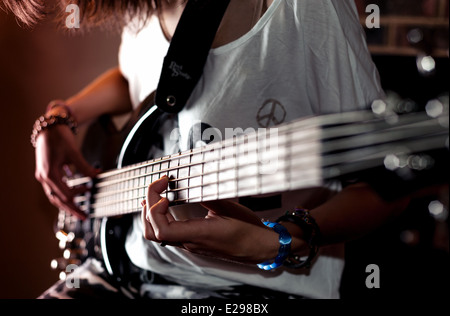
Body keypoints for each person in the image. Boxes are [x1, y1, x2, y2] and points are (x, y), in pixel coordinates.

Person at [4, 0, 413, 299]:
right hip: (125, 271)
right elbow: (137, 79)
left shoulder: (303, 9)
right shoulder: (137, 8)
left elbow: (384, 190)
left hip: (252, 293)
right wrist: (60, 117)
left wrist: (279, 241)